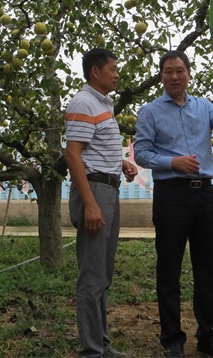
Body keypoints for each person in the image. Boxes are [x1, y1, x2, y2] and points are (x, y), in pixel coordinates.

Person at [134, 50, 213, 358]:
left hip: (203, 195)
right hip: (171, 196)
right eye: (168, 71)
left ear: (189, 73)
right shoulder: (150, 111)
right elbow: (141, 153)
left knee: (206, 268)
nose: (174, 76)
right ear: (162, 76)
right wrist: (173, 162)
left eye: (179, 70)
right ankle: (172, 340)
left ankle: (209, 337)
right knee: (169, 269)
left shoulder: (204, 106)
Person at [65, 48, 138, 358]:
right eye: (113, 68)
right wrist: (90, 203)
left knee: (103, 274)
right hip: (95, 192)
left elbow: (91, 149)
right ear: (96, 72)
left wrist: (119, 161)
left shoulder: (101, 104)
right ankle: (92, 351)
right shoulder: (84, 102)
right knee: (92, 276)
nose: (117, 73)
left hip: (106, 188)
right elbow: (73, 154)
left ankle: (101, 345)